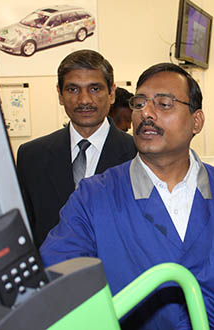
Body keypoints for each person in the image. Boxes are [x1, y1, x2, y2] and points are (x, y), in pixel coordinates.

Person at [40, 62, 214, 329]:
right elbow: (57, 282)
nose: (147, 113)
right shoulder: (93, 197)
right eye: (139, 103)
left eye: (164, 104)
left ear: (196, 121)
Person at [17, 49, 137, 248]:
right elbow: (26, 231)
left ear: (112, 93)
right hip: (54, 275)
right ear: (60, 95)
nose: (84, 100)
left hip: (122, 278)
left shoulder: (139, 155)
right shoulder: (31, 156)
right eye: (73, 89)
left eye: (95, 89)